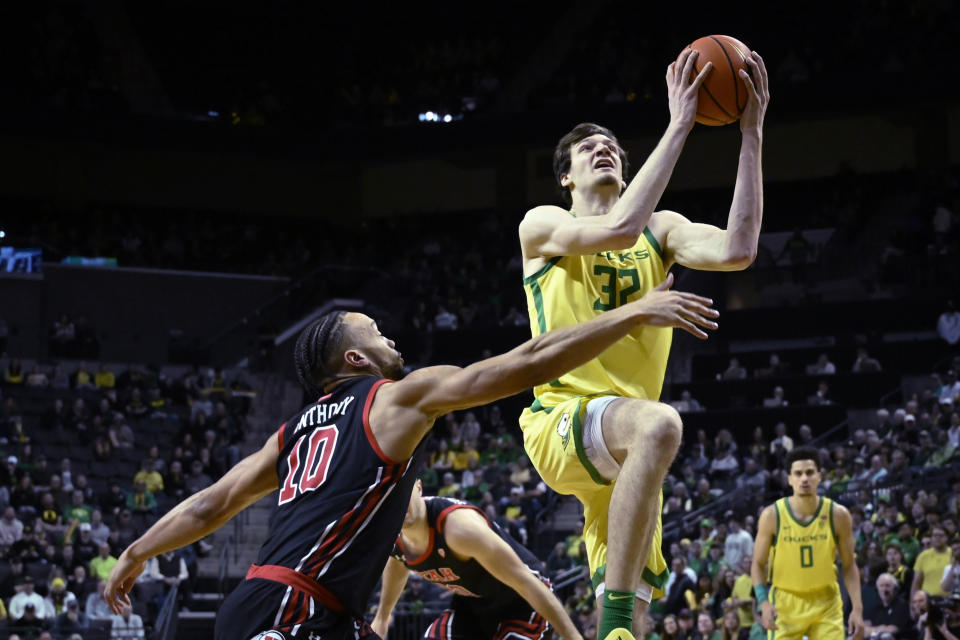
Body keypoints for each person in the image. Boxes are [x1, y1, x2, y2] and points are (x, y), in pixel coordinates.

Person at [104, 299, 717, 639]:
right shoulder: (393, 398)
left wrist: (136, 552)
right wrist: (631, 315)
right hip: (293, 613)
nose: (388, 335)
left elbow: (210, 505)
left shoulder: (289, 433)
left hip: (274, 604)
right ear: (354, 357)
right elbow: (528, 360)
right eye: (375, 331)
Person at [516, 46, 769, 640]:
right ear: (566, 177)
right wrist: (681, 121)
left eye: (611, 146)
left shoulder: (663, 231)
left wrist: (751, 134)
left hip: (625, 447)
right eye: (586, 148)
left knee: (633, 613)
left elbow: (738, 249)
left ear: (628, 173)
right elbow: (617, 228)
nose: (602, 148)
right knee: (661, 425)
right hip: (563, 416)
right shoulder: (542, 226)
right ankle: (616, 618)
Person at [372, 481, 581, 640]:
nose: (398, 501)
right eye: (391, 496)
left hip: (522, 600)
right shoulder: (391, 533)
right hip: (474, 607)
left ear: (418, 486)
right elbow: (399, 559)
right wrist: (382, 616)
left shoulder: (459, 529)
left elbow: (526, 582)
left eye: (403, 490)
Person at [750, 446, 864, 639]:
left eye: (810, 472)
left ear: (819, 476)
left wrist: (858, 609)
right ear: (789, 479)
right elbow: (758, 564)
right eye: (798, 473)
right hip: (786, 603)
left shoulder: (838, 515)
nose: (804, 478)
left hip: (826, 602)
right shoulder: (772, 515)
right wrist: (764, 602)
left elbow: (849, 565)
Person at [863, 572, 911, 640]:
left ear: (895, 589)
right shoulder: (877, 608)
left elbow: (894, 629)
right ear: (877, 589)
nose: (884, 590)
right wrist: (881, 628)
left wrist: (872, 630)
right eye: (881, 586)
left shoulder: (901, 605)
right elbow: (865, 626)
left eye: (887, 586)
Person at [913, 525, 952, 597]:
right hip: (927, 601)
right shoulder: (923, 556)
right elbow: (916, 583)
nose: (937, 538)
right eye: (935, 535)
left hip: (950, 600)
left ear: (947, 537)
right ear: (931, 538)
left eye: (940, 535)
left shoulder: (953, 555)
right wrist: (913, 604)